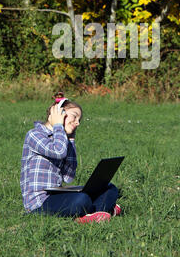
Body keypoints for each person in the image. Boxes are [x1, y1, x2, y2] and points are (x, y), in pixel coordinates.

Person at [20, 92, 122, 223]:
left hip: (56, 196)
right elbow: (58, 152)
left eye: (79, 120)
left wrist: (71, 139)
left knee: (109, 187)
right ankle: (103, 209)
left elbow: (68, 177)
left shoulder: (61, 139)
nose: (77, 123)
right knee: (82, 200)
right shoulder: (34, 135)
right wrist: (58, 126)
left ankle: (96, 214)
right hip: (39, 203)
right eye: (74, 117)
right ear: (58, 113)